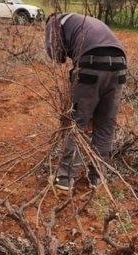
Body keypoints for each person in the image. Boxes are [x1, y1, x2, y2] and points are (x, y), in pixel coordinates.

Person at [45, 12, 127, 191]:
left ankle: (65, 178)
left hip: (91, 64)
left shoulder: (53, 22)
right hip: (120, 65)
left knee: (76, 123)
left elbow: (56, 55)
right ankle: (97, 177)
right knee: (106, 124)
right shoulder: (84, 20)